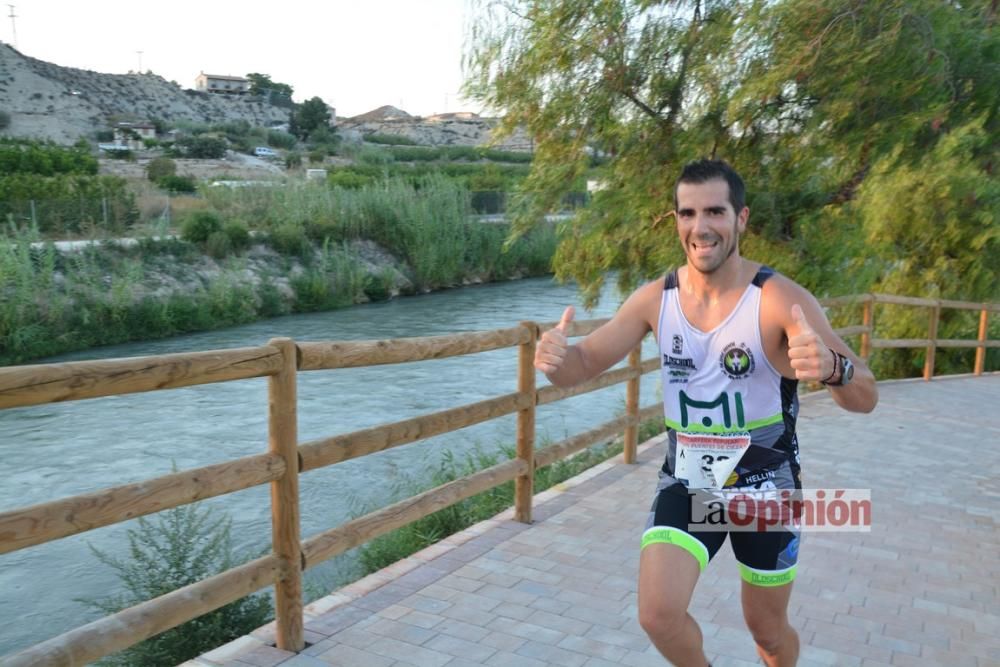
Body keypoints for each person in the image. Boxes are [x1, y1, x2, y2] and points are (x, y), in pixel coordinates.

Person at [533, 159, 878, 667]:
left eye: (714, 211)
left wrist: (832, 370)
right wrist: (555, 361)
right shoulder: (657, 298)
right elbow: (582, 363)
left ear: (740, 219)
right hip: (688, 484)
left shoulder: (777, 298)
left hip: (765, 490)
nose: (700, 227)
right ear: (676, 220)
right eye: (687, 213)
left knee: (768, 635)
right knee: (658, 615)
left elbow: (866, 393)